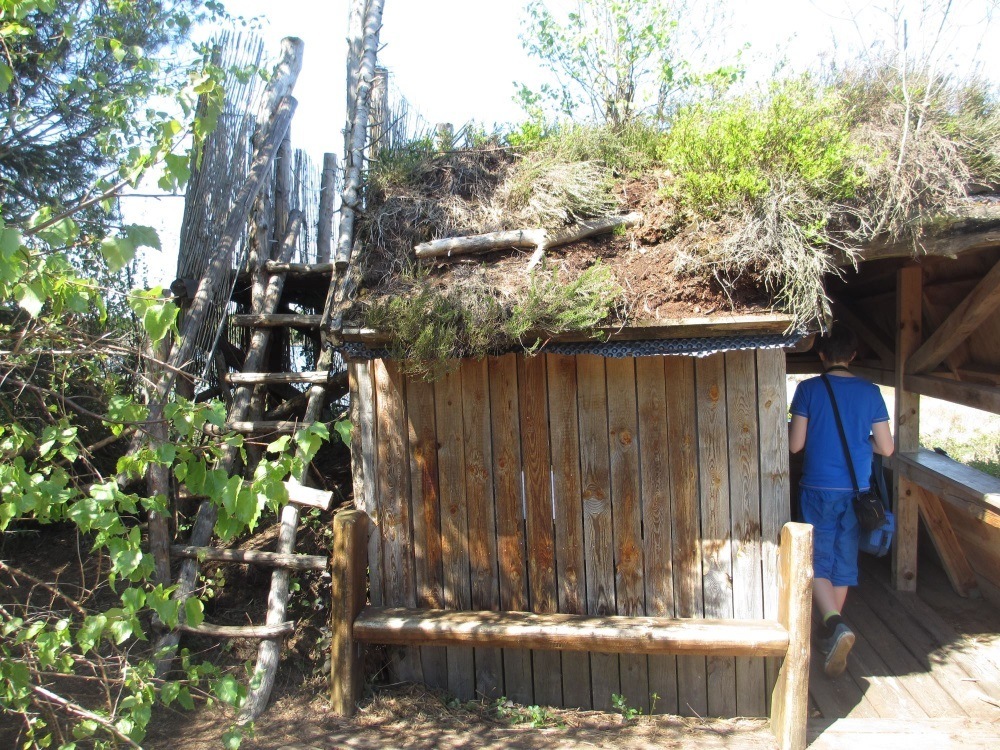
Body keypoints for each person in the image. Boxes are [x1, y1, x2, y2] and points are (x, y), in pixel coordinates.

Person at [788, 323, 894, 677]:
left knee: (816, 558)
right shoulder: (871, 393)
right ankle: (833, 629)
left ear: (821, 355)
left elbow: (795, 445)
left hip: (817, 488)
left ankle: (834, 624)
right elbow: (887, 447)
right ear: (852, 355)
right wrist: (862, 441)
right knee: (844, 560)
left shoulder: (808, 389)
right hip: (857, 492)